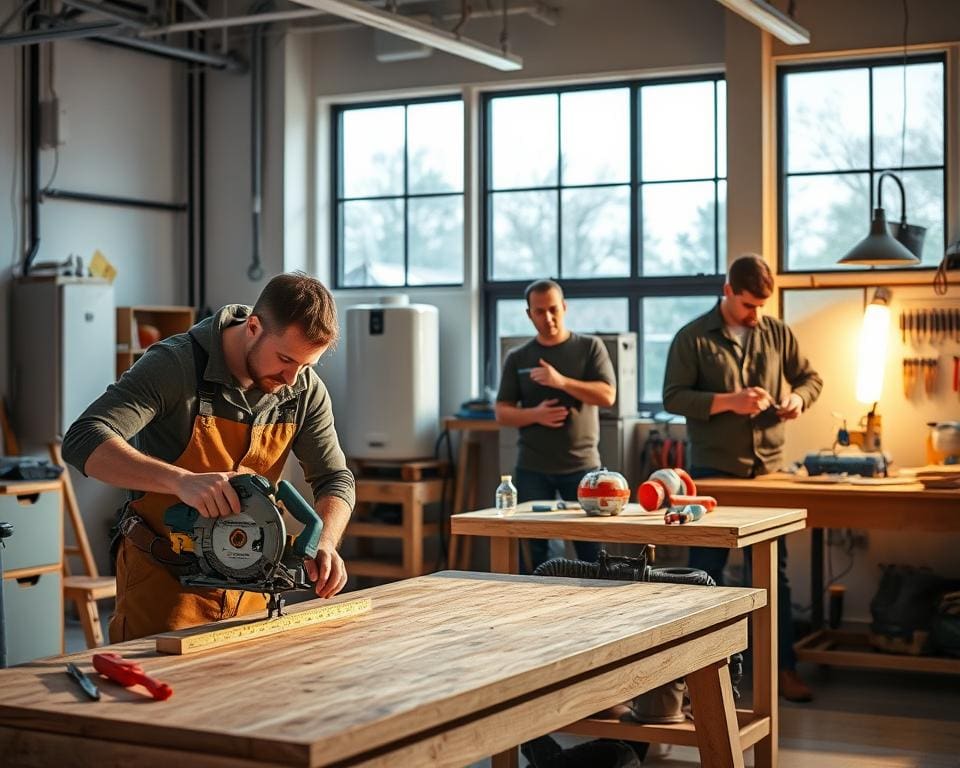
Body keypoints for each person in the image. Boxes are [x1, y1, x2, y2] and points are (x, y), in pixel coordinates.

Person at [62, 272, 355, 642]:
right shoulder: (175, 366)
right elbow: (83, 439)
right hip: (165, 584)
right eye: (285, 359)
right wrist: (180, 481)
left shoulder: (304, 390)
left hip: (254, 588)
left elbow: (335, 479)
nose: (292, 378)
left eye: (306, 366)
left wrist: (326, 540)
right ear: (253, 327)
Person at [662, 253, 822, 703]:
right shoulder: (693, 336)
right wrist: (728, 402)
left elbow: (810, 379)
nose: (756, 315)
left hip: (767, 472)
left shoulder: (777, 333)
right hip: (713, 474)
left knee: (774, 574)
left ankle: (782, 668)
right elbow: (673, 397)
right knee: (704, 572)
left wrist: (798, 399)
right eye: (749, 305)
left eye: (762, 306)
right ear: (728, 290)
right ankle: (691, 679)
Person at [495, 279, 616, 571]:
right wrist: (535, 415)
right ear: (529, 315)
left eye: (553, 309)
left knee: (592, 553)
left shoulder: (589, 347)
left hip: (583, 467)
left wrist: (561, 382)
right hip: (533, 467)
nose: (548, 318)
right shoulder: (518, 357)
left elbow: (607, 395)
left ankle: (597, 600)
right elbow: (502, 413)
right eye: (539, 312)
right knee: (536, 553)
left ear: (564, 307)